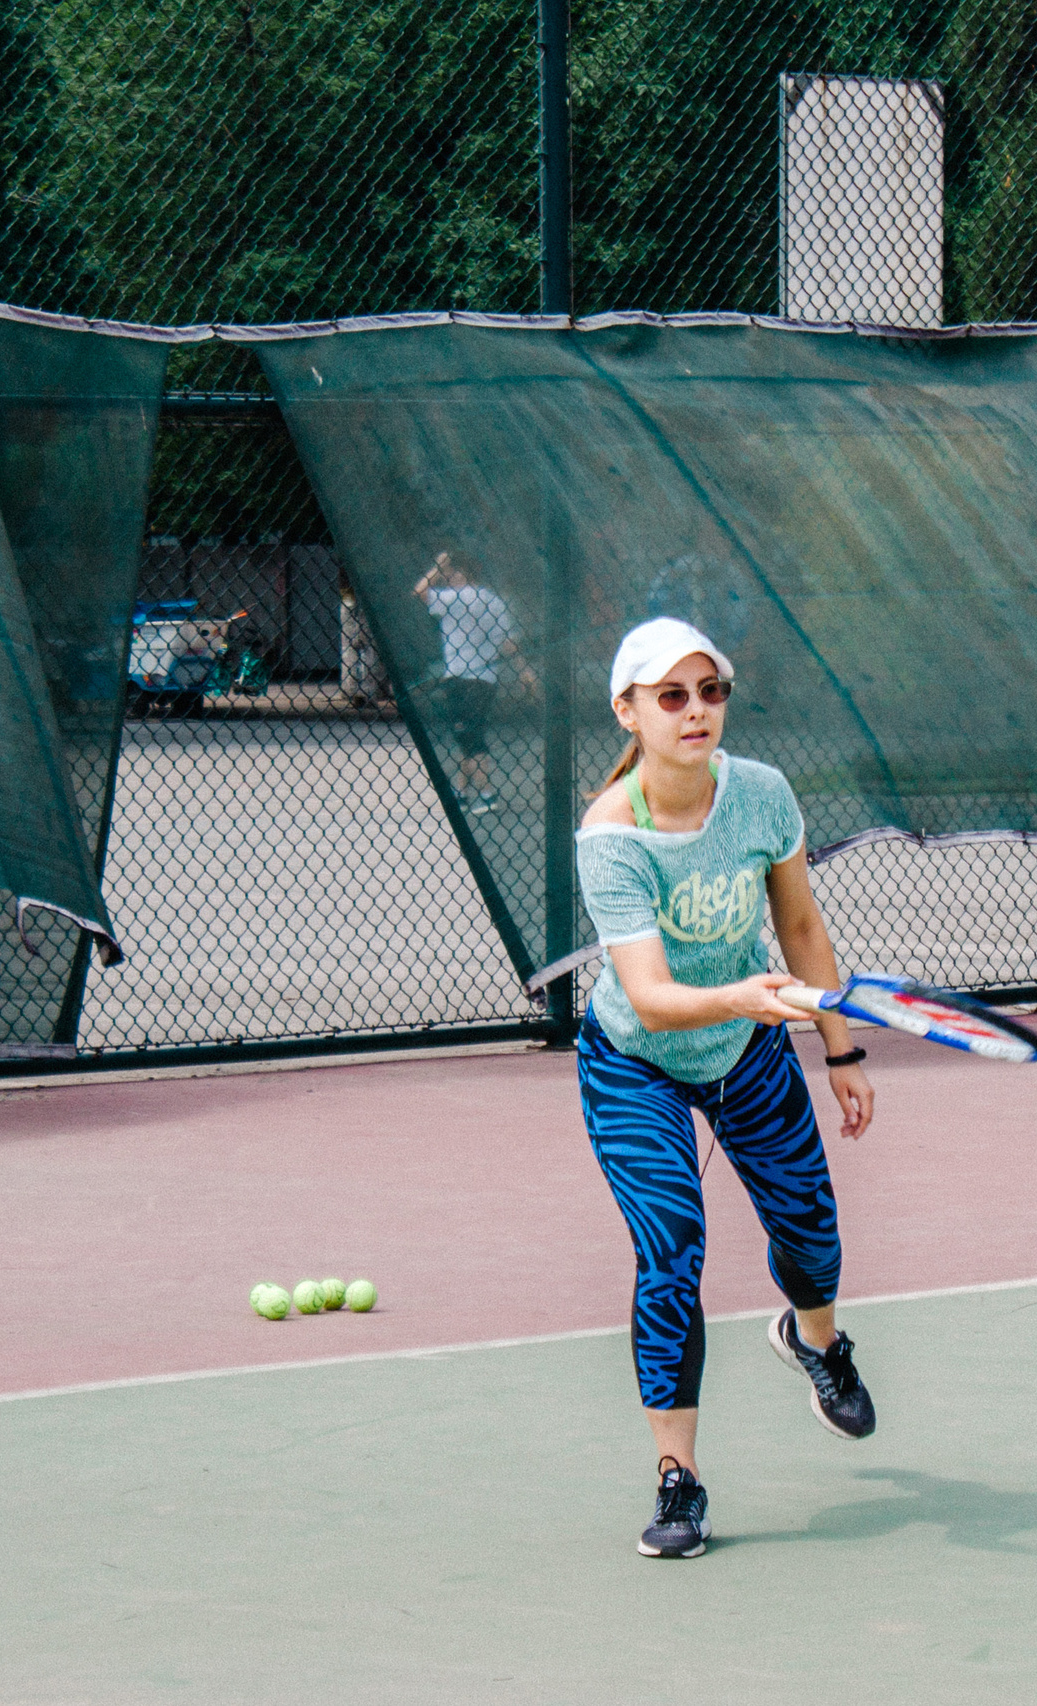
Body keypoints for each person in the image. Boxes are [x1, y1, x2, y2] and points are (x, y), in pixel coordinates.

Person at [574, 616, 879, 1560]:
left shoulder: (760, 796)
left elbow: (800, 925)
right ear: (629, 711)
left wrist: (841, 1051)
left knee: (812, 1231)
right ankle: (679, 1481)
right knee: (671, 1247)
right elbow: (654, 999)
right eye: (671, 696)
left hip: (746, 1052)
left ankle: (817, 1342)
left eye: (709, 692)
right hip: (637, 1062)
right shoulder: (610, 834)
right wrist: (744, 996)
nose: (695, 711)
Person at [410, 551, 535, 813]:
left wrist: (436, 566)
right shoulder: (494, 601)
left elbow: (419, 591)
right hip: (486, 679)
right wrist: (525, 671)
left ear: (460, 573)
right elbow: (509, 643)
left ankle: (487, 795)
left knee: (470, 736)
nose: (446, 579)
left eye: (450, 573)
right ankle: (462, 793)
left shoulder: (456, 597)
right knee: (467, 734)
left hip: (459, 678)